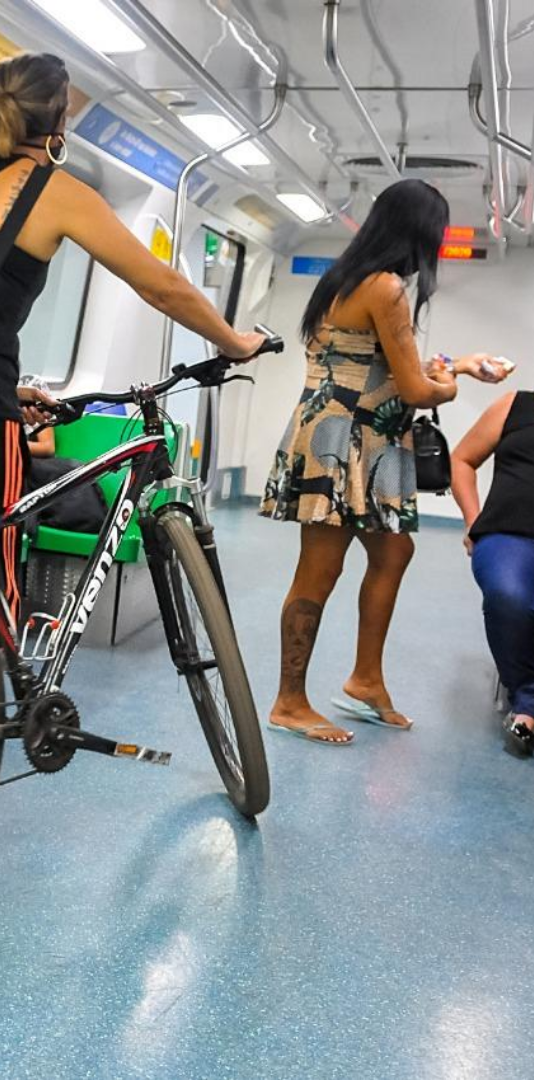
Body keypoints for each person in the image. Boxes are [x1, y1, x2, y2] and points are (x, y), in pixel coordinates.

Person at [0, 51, 267, 812]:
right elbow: (160, 283)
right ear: (60, 121)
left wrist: (17, 385)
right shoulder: (55, 190)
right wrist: (234, 342)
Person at [260, 180, 506, 745]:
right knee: (319, 569)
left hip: (357, 435)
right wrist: (451, 384)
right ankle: (289, 701)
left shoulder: (348, 278)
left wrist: (457, 365)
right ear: (420, 233)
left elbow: (387, 364)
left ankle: (365, 680)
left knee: (394, 549)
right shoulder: (387, 287)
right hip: (346, 442)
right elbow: (418, 389)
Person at [452, 389, 534, 757]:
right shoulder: (516, 405)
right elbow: (462, 460)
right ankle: (528, 702)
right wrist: (474, 521)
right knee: (508, 595)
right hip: (507, 534)